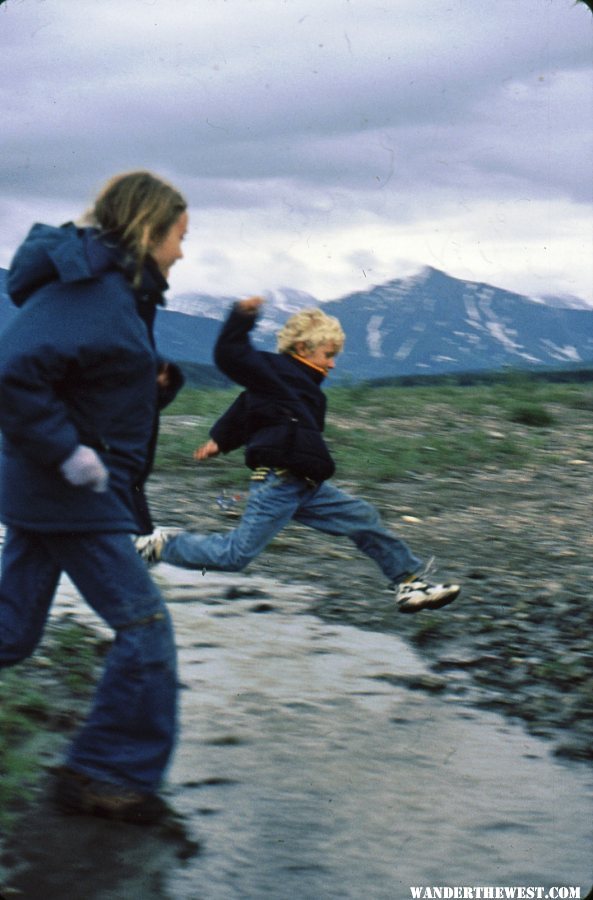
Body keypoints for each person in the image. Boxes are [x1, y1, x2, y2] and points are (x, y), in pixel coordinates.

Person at [0, 170, 188, 824]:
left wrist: (149, 386)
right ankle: (107, 776)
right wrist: (68, 454)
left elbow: (81, 381)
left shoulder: (114, 291)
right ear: (148, 231)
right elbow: (14, 370)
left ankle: (105, 771)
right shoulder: (96, 290)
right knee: (143, 631)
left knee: (11, 630)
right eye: (178, 237)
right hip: (70, 495)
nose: (181, 253)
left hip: (50, 490)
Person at [136, 297, 460, 613]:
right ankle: (163, 544)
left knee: (363, 517)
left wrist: (219, 440)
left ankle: (409, 583)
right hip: (277, 482)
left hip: (307, 486)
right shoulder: (275, 369)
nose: (333, 363)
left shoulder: (306, 388)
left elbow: (248, 404)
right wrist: (241, 318)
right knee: (235, 555)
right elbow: (231, 356)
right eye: (328, 355)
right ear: (303, 349)